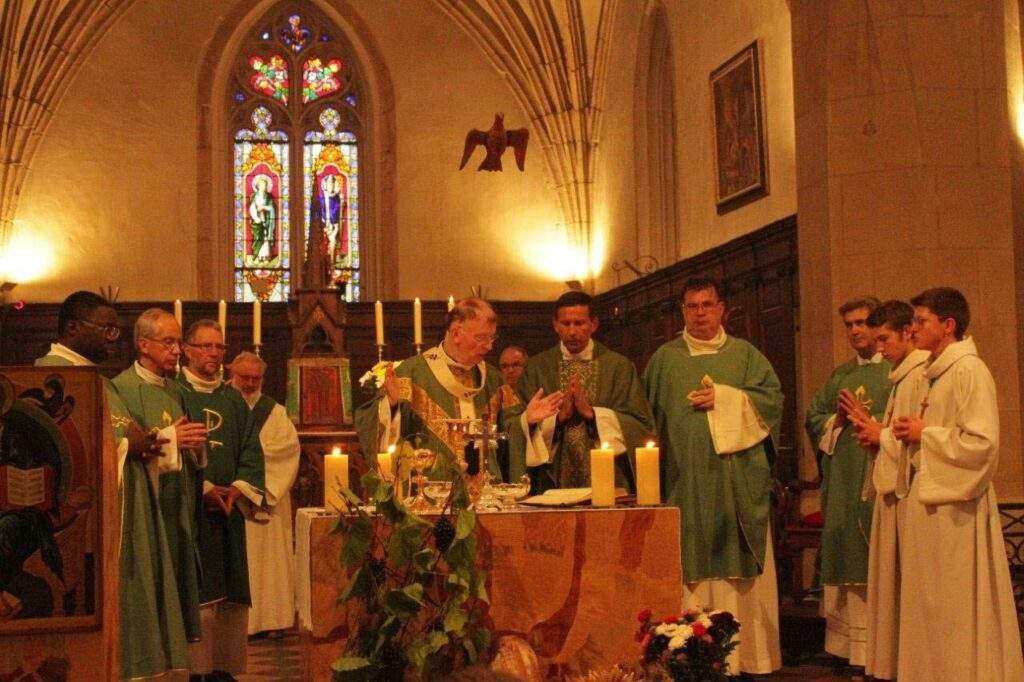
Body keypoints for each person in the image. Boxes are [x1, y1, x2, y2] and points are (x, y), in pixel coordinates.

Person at [36, 292, 190, 680]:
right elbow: (68, 461)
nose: (114, 338)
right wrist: (127, 445)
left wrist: (137, 443)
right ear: (72, 328)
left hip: (123, 508)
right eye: (105, 329)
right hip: (87, 529)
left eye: (116, 330)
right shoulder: (52, 377)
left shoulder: (92, 379)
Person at [642, 276, 782, 675]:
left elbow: (772, 405)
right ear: (682, 312)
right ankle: (686, 658)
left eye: (707, 305)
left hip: (735, 484)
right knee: (686, 560)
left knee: (735, 563)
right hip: (682, 482)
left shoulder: (746, 355)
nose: (699, 313)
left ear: (722, 308)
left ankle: (745, 657)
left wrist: (727, 399)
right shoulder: (664, 359)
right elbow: (644, 419)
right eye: (691, 306)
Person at [891, 288, 1023, 681]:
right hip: (928, 502)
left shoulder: (970, 371)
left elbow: (982, 445)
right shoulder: (933, 372)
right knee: (930, 604)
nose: (912, 329)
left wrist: (924, 433)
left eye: (921, 321)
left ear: (948, 326)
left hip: (955, 509)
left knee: (955, 606)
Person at [354, 298, 561, 482]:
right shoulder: (412, 373)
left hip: (487, 490)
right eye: (481, 338)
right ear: (455, 334)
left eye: (492, 338)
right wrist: (390, 406)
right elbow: (378, 435)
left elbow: (507, 435)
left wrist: (526, 421)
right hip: (431, 490)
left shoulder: (493, 379)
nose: (489, 346)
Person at [111, 309, 209, 656]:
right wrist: (172, 439)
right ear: (143, 345)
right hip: (146, 509)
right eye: (169, 342)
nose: (177, 350)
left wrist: (194, 447)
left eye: (179, 342)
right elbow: (121, 450)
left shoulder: (176, 390)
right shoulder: (121, 389)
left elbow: (184, 446)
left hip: (174, 507)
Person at [804, 296, 890, 671]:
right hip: (844, 483)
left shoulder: (897, 371)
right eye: (850, 325)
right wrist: (836, 421)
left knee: (879, 563)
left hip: (878, 480)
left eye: (863, 323)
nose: (856, 331)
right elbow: (814, 417)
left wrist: (876, 422)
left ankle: (884, 650)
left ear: (879, 325)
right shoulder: (841, 376)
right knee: (850, 560)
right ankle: (851, 650)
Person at [845, 300, 929, 681]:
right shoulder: (902, 376)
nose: (879, 348)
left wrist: (881, 435)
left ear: (907, 333)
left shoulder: (917, 376)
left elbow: (922, 442)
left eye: (884, 339)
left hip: (911, 499)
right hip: (894, 495)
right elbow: (901, 437)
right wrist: (877, 434)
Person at [178, 321, 266, 679]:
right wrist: (204, 490)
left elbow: (251, 449)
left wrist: (239, 488)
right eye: (205, 347)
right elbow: (170, 444)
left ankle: (222, 670)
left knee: (229, 594)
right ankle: (195, 670)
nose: (214, 354)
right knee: (197, 590)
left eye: (219, 348)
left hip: (228, 514)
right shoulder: (174, 392)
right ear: (186, 350)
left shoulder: (233, 400)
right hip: (189, 514)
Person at [507, 291, 653, 493]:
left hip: (610, 480)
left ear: (594, 324)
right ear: (555, 325)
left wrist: (594, 415)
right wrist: (557, 419)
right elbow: (514, 426)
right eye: (566, 324)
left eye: (579, 323)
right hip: (551, 481)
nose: (572, 331)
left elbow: (641, 426)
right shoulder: (537, 368)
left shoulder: (618, 367)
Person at [228, 351, 301, 638]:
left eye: (255, 378)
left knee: (268, 563)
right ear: (231, 373)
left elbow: (286, 451)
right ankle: (237, 625)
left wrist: (249, 479)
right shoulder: (221, 404)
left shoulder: (275, 412)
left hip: (265, 498)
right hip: (229, 496)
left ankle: (271, 620)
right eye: (244, 377)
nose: (249, 383)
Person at [249, 175, 276, 263]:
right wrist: (256, 217)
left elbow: (271, 208)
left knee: (265, 238)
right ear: (258, 186)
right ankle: (257, 256)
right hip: (257, 220)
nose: (264, 187)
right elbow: (252, 207)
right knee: (257, 237)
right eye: (262, 185)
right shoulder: (254, 196)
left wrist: (264, 207)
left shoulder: (268, 197)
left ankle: (265, 257)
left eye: (265, 185)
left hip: (266, 219)